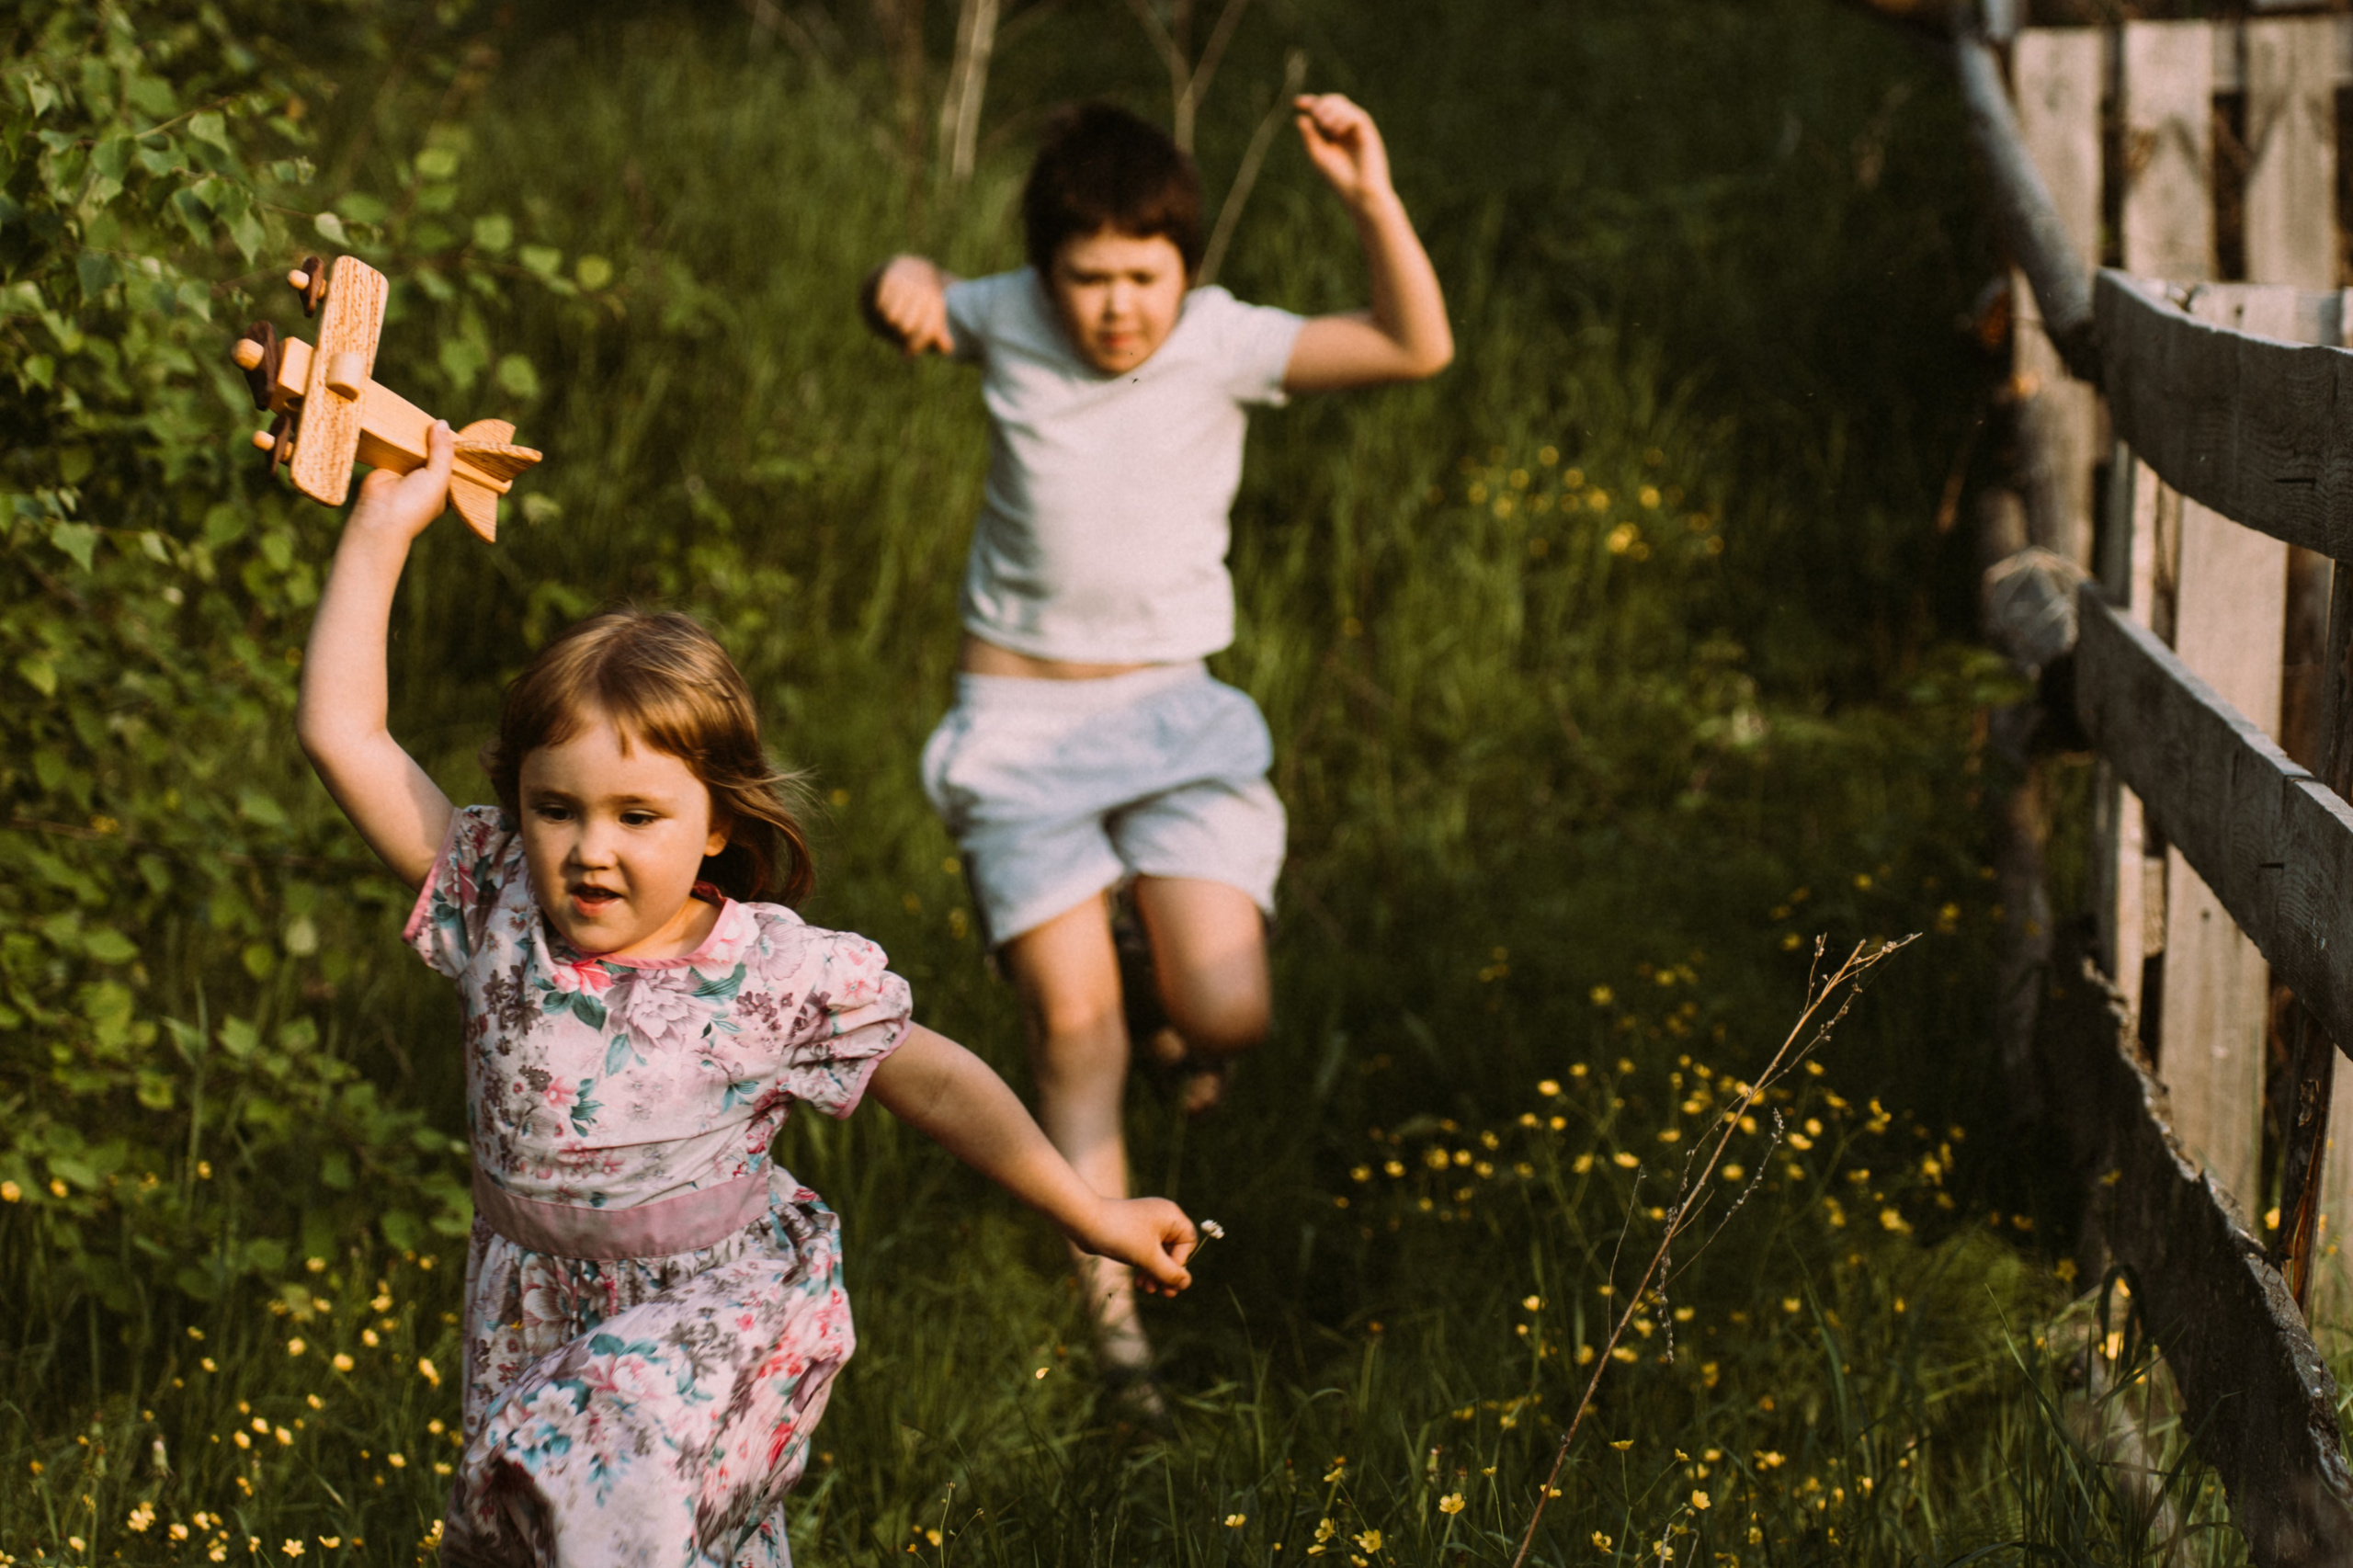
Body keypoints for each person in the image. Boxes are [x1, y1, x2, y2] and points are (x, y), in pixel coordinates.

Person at [294, 425, 1199, 1566]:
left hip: (711, 1318)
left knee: (605, 1461)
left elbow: (939, 1077)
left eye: (637, 815)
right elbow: (344, 734)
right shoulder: (494, 896)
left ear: (715, 820)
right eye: (555, 805)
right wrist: (381, 527)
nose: (587, 849)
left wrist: (1086, 1209)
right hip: (530, 1309)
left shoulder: (770, 973)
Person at [859, 93, 1450, 1395]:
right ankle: (1116, 1336)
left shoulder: (1225, 342)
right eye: (1089, 277)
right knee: (1075, 1035)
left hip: (1174, 719)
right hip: (1019, 728)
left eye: (1145, 275)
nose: (1118, 307)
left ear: (1187, 263)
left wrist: (1369, 194)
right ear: (1044, 272)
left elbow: (1415, 346)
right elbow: (915, 292)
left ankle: (1166, 999)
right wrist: (899, 275)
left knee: (1229, 1009)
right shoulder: (1008, 314)